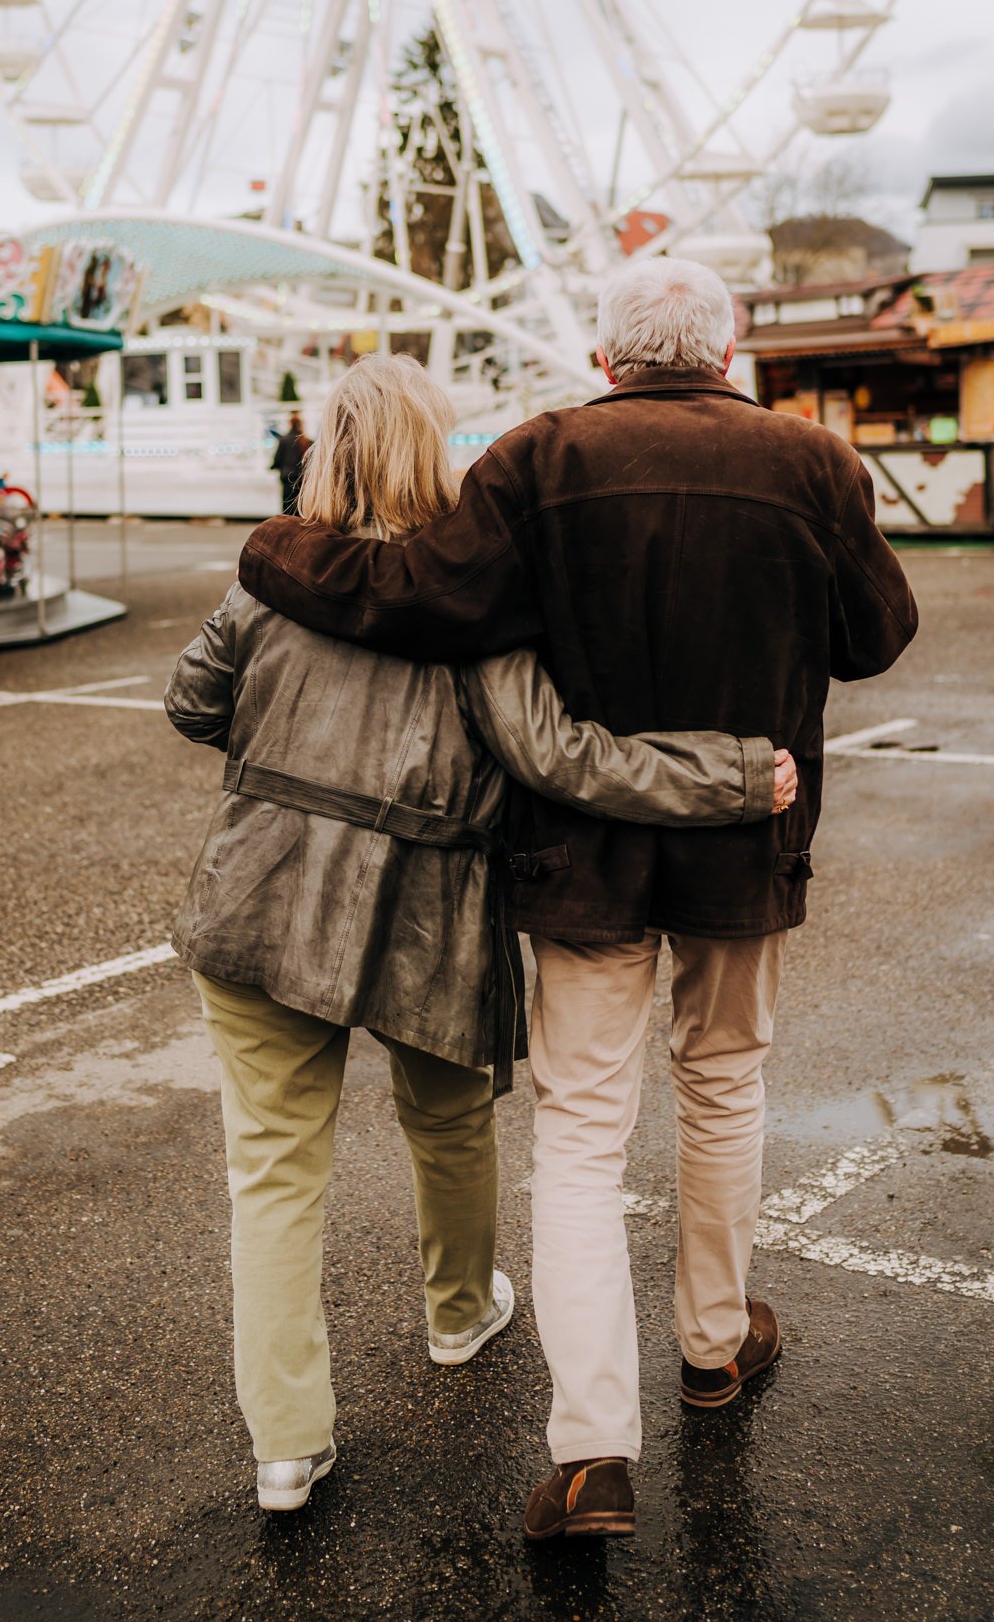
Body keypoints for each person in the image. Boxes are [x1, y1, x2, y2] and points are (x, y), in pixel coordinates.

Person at [238, 260, 918, 1542]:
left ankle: (592, 1445)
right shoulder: (812, 464)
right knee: (724, 1086)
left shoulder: (536, 460)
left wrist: (277, 544)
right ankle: (715, 1346)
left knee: (583, 1138)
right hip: (742, 839)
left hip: (579, 861)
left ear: (604, 359)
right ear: (728, 347)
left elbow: (415, 600)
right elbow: (876, 631)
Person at [165, 353, 797, 1517]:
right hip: (427, 910)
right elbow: (562, 757)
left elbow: (191, 702)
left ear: (321, 447)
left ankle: (286, 1449)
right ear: (437, 448)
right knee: (450, 1125)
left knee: (272, 1174)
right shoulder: (476, 606)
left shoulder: (267, 579)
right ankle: (459, 1312)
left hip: (254, 894)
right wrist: (733, 770)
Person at [272, 410, 310, 515]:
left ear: (289, 423)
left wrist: (272, 466)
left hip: (287, 480)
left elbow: (277, 460)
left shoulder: (284, 440)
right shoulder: (307, 441)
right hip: (302, 480)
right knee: (299, 509)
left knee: (287, 511)